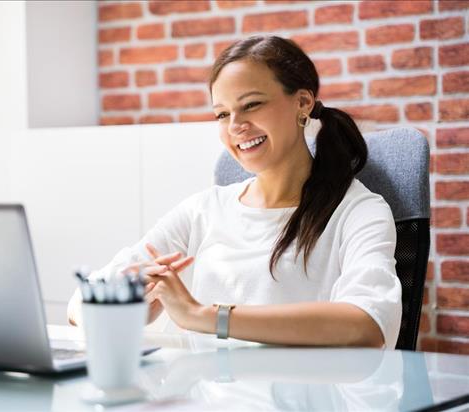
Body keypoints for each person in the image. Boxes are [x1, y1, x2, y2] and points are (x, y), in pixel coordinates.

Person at [68, 35, 401, 348]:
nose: (234, 126)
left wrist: (204, 316)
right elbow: (79, 302)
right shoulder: (204, 209)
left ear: (303, 102)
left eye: (252, 105)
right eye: (222, 114)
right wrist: (123, 303)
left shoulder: (358, 211)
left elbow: (367, 325)